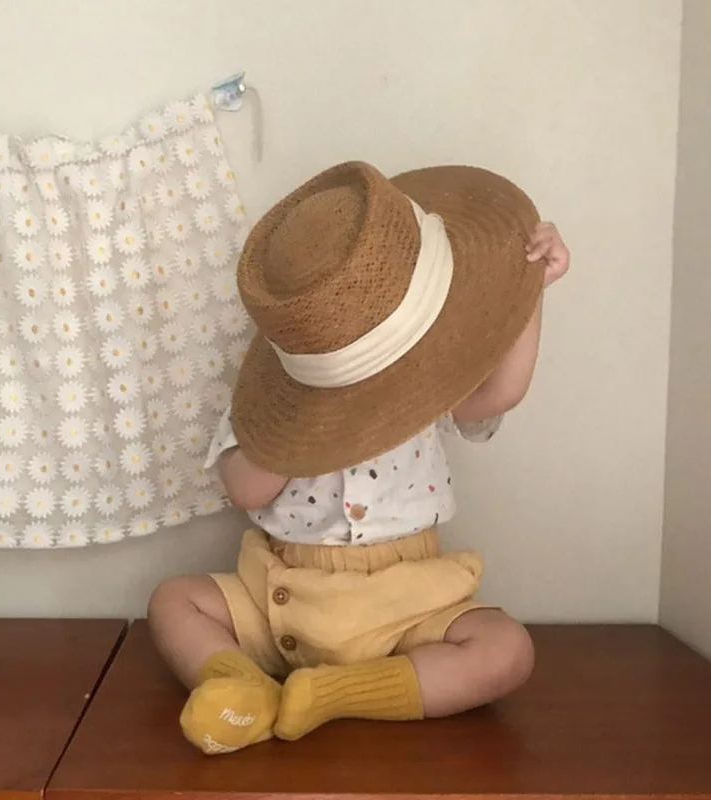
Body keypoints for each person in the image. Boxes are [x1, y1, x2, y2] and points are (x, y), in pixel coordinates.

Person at [148, 161, 570, 756]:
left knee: (507, 649)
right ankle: (239, 684)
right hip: (284, 594)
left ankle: (333, 695)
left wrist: (529, 291)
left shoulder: (424, 383)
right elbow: (245, 489)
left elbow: (498, 395)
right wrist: (305, 417)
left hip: (408, 602)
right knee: (173, 601)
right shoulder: (268, 406)